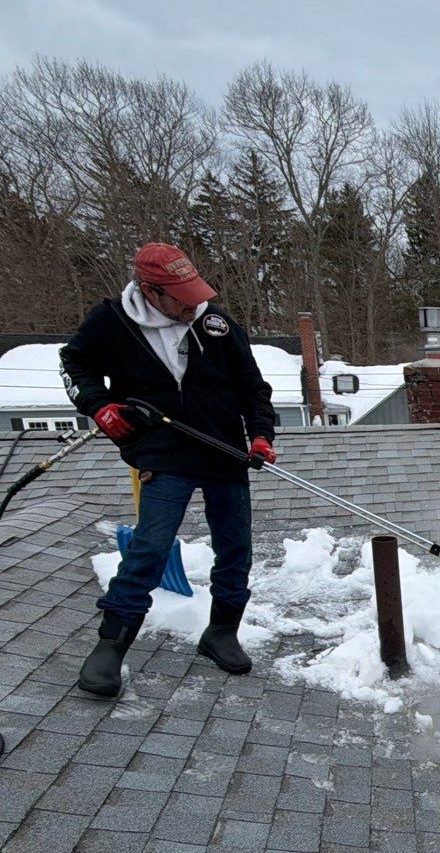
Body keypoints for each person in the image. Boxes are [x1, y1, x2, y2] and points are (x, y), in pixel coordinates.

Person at [61, 243, 278, 698]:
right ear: (150, 291)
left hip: (223, 450)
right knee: (150, 547)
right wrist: (98, 406)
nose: (193, 305)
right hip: (161, 449)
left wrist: (260, 435)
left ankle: (221, 631)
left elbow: (253, 388)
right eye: (182, 297)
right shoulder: (111, 322)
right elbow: (74, 364)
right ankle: (110, 646)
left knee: (236, 549)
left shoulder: (215, 324)